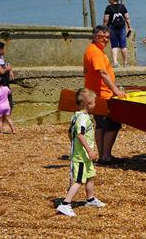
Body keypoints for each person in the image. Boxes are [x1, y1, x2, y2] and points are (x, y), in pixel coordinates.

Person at [56, 88, 107, 217]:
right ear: (87, 103)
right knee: (78, 181)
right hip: (81, 156)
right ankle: (65, 204)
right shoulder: (83, 118)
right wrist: (89, 150)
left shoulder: (76, 116)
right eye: (94, 102)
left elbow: (70, 133)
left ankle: (90, 199)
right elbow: (79, 134)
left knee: (90, 176)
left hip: (84, 155)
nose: (95, 104)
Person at [83, 25, 126, 164]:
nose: (106, 40)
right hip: (102, 95)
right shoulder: (95, 52)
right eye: (103, 37)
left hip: (96, 94)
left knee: (101, 125)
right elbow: (102, 73)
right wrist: (116, 91)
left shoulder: (93, 50)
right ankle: (106, 155)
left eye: (108, 37)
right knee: (112, 124)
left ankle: (103, 155)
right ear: (95, 37)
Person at [103, 0, 132, 67]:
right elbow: (127, 17)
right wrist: (129, 27)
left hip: (112, 28)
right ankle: (125, 63)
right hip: (122, 27)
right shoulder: (122, 6)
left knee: (114, 45)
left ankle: (115, 63)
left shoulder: (108, 8)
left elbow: (106, 19)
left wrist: (104, 28)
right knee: (123, 45)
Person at [0, 41, 16, 113]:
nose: (5, 50)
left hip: (4, 85)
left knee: (8, 104)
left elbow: (6, 64)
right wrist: (8, 69)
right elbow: (1, 71)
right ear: (0, 50)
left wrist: (10, 70)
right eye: (3, 48)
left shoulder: (0, 57)